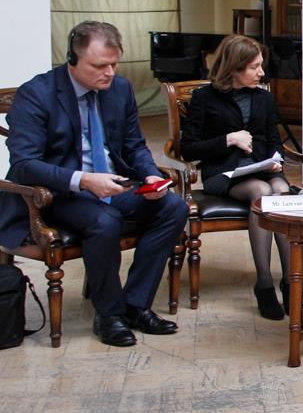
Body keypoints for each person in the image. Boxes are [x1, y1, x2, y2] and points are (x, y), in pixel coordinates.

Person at [0, 21, 187, 347]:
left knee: (173, 207)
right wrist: (83, 180)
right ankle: (109, 315)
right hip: (57, 194)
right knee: (105, 219)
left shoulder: (120, 89)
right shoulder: (38, 93)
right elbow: (24, 163)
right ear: (72, 59)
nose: (109, 73)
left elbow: (134, 145)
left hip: (113, 183)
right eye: (99, 66)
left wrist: (150, 175)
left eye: (114, 64)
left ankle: (135, 305)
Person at [179, 35, 291, 320]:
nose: (261, 73)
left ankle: (291, 280)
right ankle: (264, 283)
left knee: (281, 191)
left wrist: (276, 160)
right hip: (223, 174)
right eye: (254, 67)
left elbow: (273, 139)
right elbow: (188, 148)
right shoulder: (204, 98)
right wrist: (228, 139)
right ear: (233, 68)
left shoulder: (264, 98)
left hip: (261, 168)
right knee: (263, 192)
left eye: (261, 65)